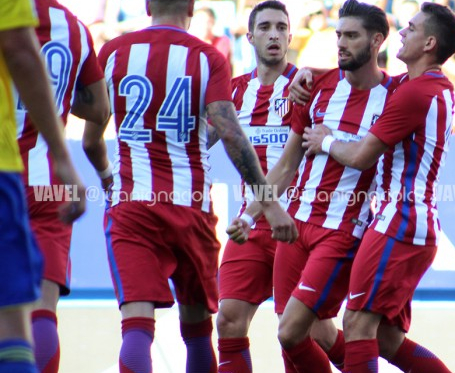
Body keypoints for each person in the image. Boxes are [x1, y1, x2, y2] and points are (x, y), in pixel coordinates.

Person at [86, 0, 297, 372]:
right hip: (191, 206)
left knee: (136, 327)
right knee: (199, 331)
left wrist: (106, 177)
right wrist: (268, 200)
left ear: (148, 5)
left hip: (132, 204)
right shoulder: (208, 57)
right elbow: (231, 135)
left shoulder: (113, 51)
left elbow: (89, 136)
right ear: (192, 6)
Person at [230, 1, 398, 372]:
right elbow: (287, 165)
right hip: (294, 228)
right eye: (339, 35)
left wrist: (328, 142)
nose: (340, 43)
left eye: (351, 36)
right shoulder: (315, 85)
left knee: (299, 333)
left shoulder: (398, 93)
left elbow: (365, 158)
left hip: (341, 230)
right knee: (298, 334)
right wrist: (250, 213)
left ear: (377, 41)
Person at [301, 3, 455, 372]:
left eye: (411, 27)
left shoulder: (414, 93)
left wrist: (324, 140)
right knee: (387, 340)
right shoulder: (425, 86)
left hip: (399, 221)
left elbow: (360, 156)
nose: (402, 32)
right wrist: (307, 74)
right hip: (413, 221)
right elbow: (365, 77)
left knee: (357, 325)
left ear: (429, 43)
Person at [14, 1, 110, 372]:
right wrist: (59, 99)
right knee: (42, 311)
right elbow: (99, 109)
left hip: (7, 173)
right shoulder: (75, 28)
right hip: (51, 186)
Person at [0, 0, 87, 372]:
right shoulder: (75, 28)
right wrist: (63, 154)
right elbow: (98, 106)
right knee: (26, 315)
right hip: (34, 177)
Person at [215, 2, 300, 373]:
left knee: (307, 334)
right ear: (249, 37)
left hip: (297, 226)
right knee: (228, 320)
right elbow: (190, 145)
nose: (274, 34)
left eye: (282, 27)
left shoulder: (307, 88)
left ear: (290, 36)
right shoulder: (232, 93)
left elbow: (292, 166)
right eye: (265, 27)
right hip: (250, 227)